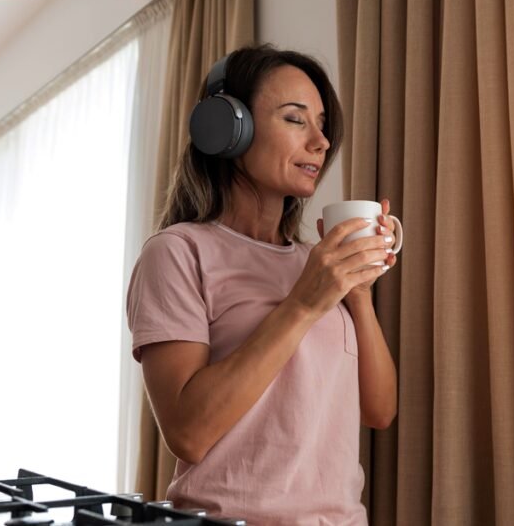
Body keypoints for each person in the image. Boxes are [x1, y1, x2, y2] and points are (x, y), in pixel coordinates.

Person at [126, 45, 399, 525]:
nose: (321, 142)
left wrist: (355, 289)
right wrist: (304, 304)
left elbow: (379, 411)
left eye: (321, 124)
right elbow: (188, 433)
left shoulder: (313, 266)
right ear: (228, 129)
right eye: (296, 119)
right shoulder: (176, 252)